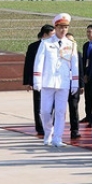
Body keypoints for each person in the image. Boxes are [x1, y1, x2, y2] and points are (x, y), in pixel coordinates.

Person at [33, 13, 79, 148]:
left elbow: (74, 65)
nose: (63, 30)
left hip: (63, 82)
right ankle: (48, 131)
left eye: (66, 27)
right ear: (56, 27)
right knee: (45, 111)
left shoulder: (71, 44)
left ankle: (57, 137)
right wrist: (37, 80)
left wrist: (75, 82)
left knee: (60, 111)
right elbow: (39, 62)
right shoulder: (46, 43)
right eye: (60, 27)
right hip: (48, 81)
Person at [24, 25, 54, 136]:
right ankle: (40, 127)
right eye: (52, 35)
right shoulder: (33, 47)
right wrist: (28, 82)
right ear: (45, 34)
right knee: (38, 105)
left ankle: (50, 126)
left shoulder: (54, 46)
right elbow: (28, 65)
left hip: (50, 80)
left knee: (51, 105)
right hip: (38, 81)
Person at [65, 32, 84, 139]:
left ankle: (74, 130)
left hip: (74, 84)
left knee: (74, 108)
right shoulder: (60, 54)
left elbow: (80, 70)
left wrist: (81, 85)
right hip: (62, 84)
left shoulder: (78, 54)